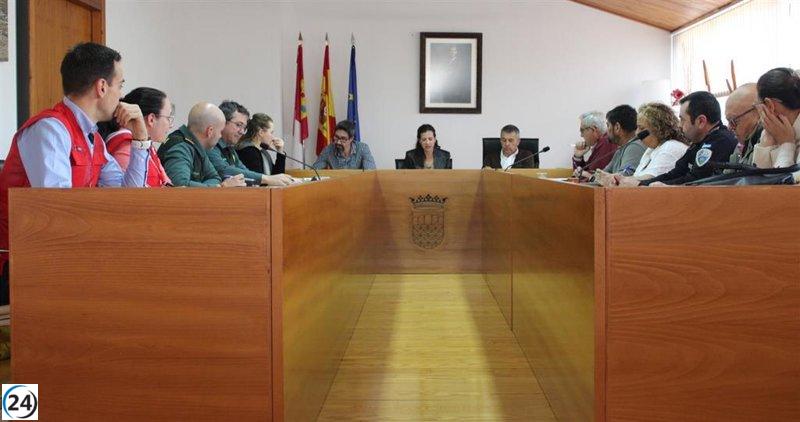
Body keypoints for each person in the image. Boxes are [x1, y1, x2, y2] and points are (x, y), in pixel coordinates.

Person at [0, 42, 150, 305]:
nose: (122, 97)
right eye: (120, 86)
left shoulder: (92, 138)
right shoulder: (50, 129)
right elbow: (58, 214)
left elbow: (131, 198)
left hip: (60, 256)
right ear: (102, 87)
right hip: (19, 264)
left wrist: (140, 137)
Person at [639, 91, 738, 186]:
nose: (679, 125)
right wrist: (642, 184)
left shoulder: (721, 141)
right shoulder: (698, 142)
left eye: (682, 120)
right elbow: (676, 173)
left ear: (701, 121)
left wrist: (657, 186)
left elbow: (696, 180)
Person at [158, 102, 245, 187]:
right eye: (220, 132)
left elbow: (214, 177)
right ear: (210, 131)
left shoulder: (198, 146)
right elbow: (180, 187)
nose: (220, 136)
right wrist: (220, 187)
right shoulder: (180, 148)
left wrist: (216, 186)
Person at [209, 101, 293, 186]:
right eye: (238, 125)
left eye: (244, 127)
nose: (242, 131)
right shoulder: (210, 146)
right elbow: (225, 170)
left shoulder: (230, 149)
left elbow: (244, 171)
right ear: (223, 122)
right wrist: (266, 179)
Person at [103, 87, 173, 187]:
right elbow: (132, 194)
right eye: (168, 118)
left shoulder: (147, 145)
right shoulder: (126, 148)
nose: (171, 125)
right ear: (151, 119)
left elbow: (166, 183)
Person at [608, 103, 688, 186]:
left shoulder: (671, 147)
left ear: (658, 129)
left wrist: (622, 179)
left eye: (641, 128)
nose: (637, 133)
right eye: (637, 127)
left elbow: (651, 179)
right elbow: (637, 177)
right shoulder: (651, 149)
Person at [751, 68, 800, 169]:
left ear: (769, 105)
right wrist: (766, 141)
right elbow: (756, 181)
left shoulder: (786, 137)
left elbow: (782, 183)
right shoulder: (773, 134)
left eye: (758, 105)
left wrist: (787, 145)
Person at [598, 105, 646, 175]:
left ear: (617, 127)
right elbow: (603, 174)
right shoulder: (621, 149)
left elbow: (623, 178)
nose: (606, 131)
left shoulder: (634, 147)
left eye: (608, 125)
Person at [724, 83, 762, 166]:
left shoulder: (769, 141)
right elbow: (729, 173)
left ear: (759, 111)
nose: (729, 128)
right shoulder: (745, 140)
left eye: (733, 121)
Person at [572, 111, 617, 177]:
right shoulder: (601, 143)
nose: (581, 135)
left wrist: (582, 173)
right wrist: (578, 157)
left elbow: (592, 177)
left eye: (582, 130)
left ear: (594, 130)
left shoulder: (607, 143)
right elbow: (583, 172)